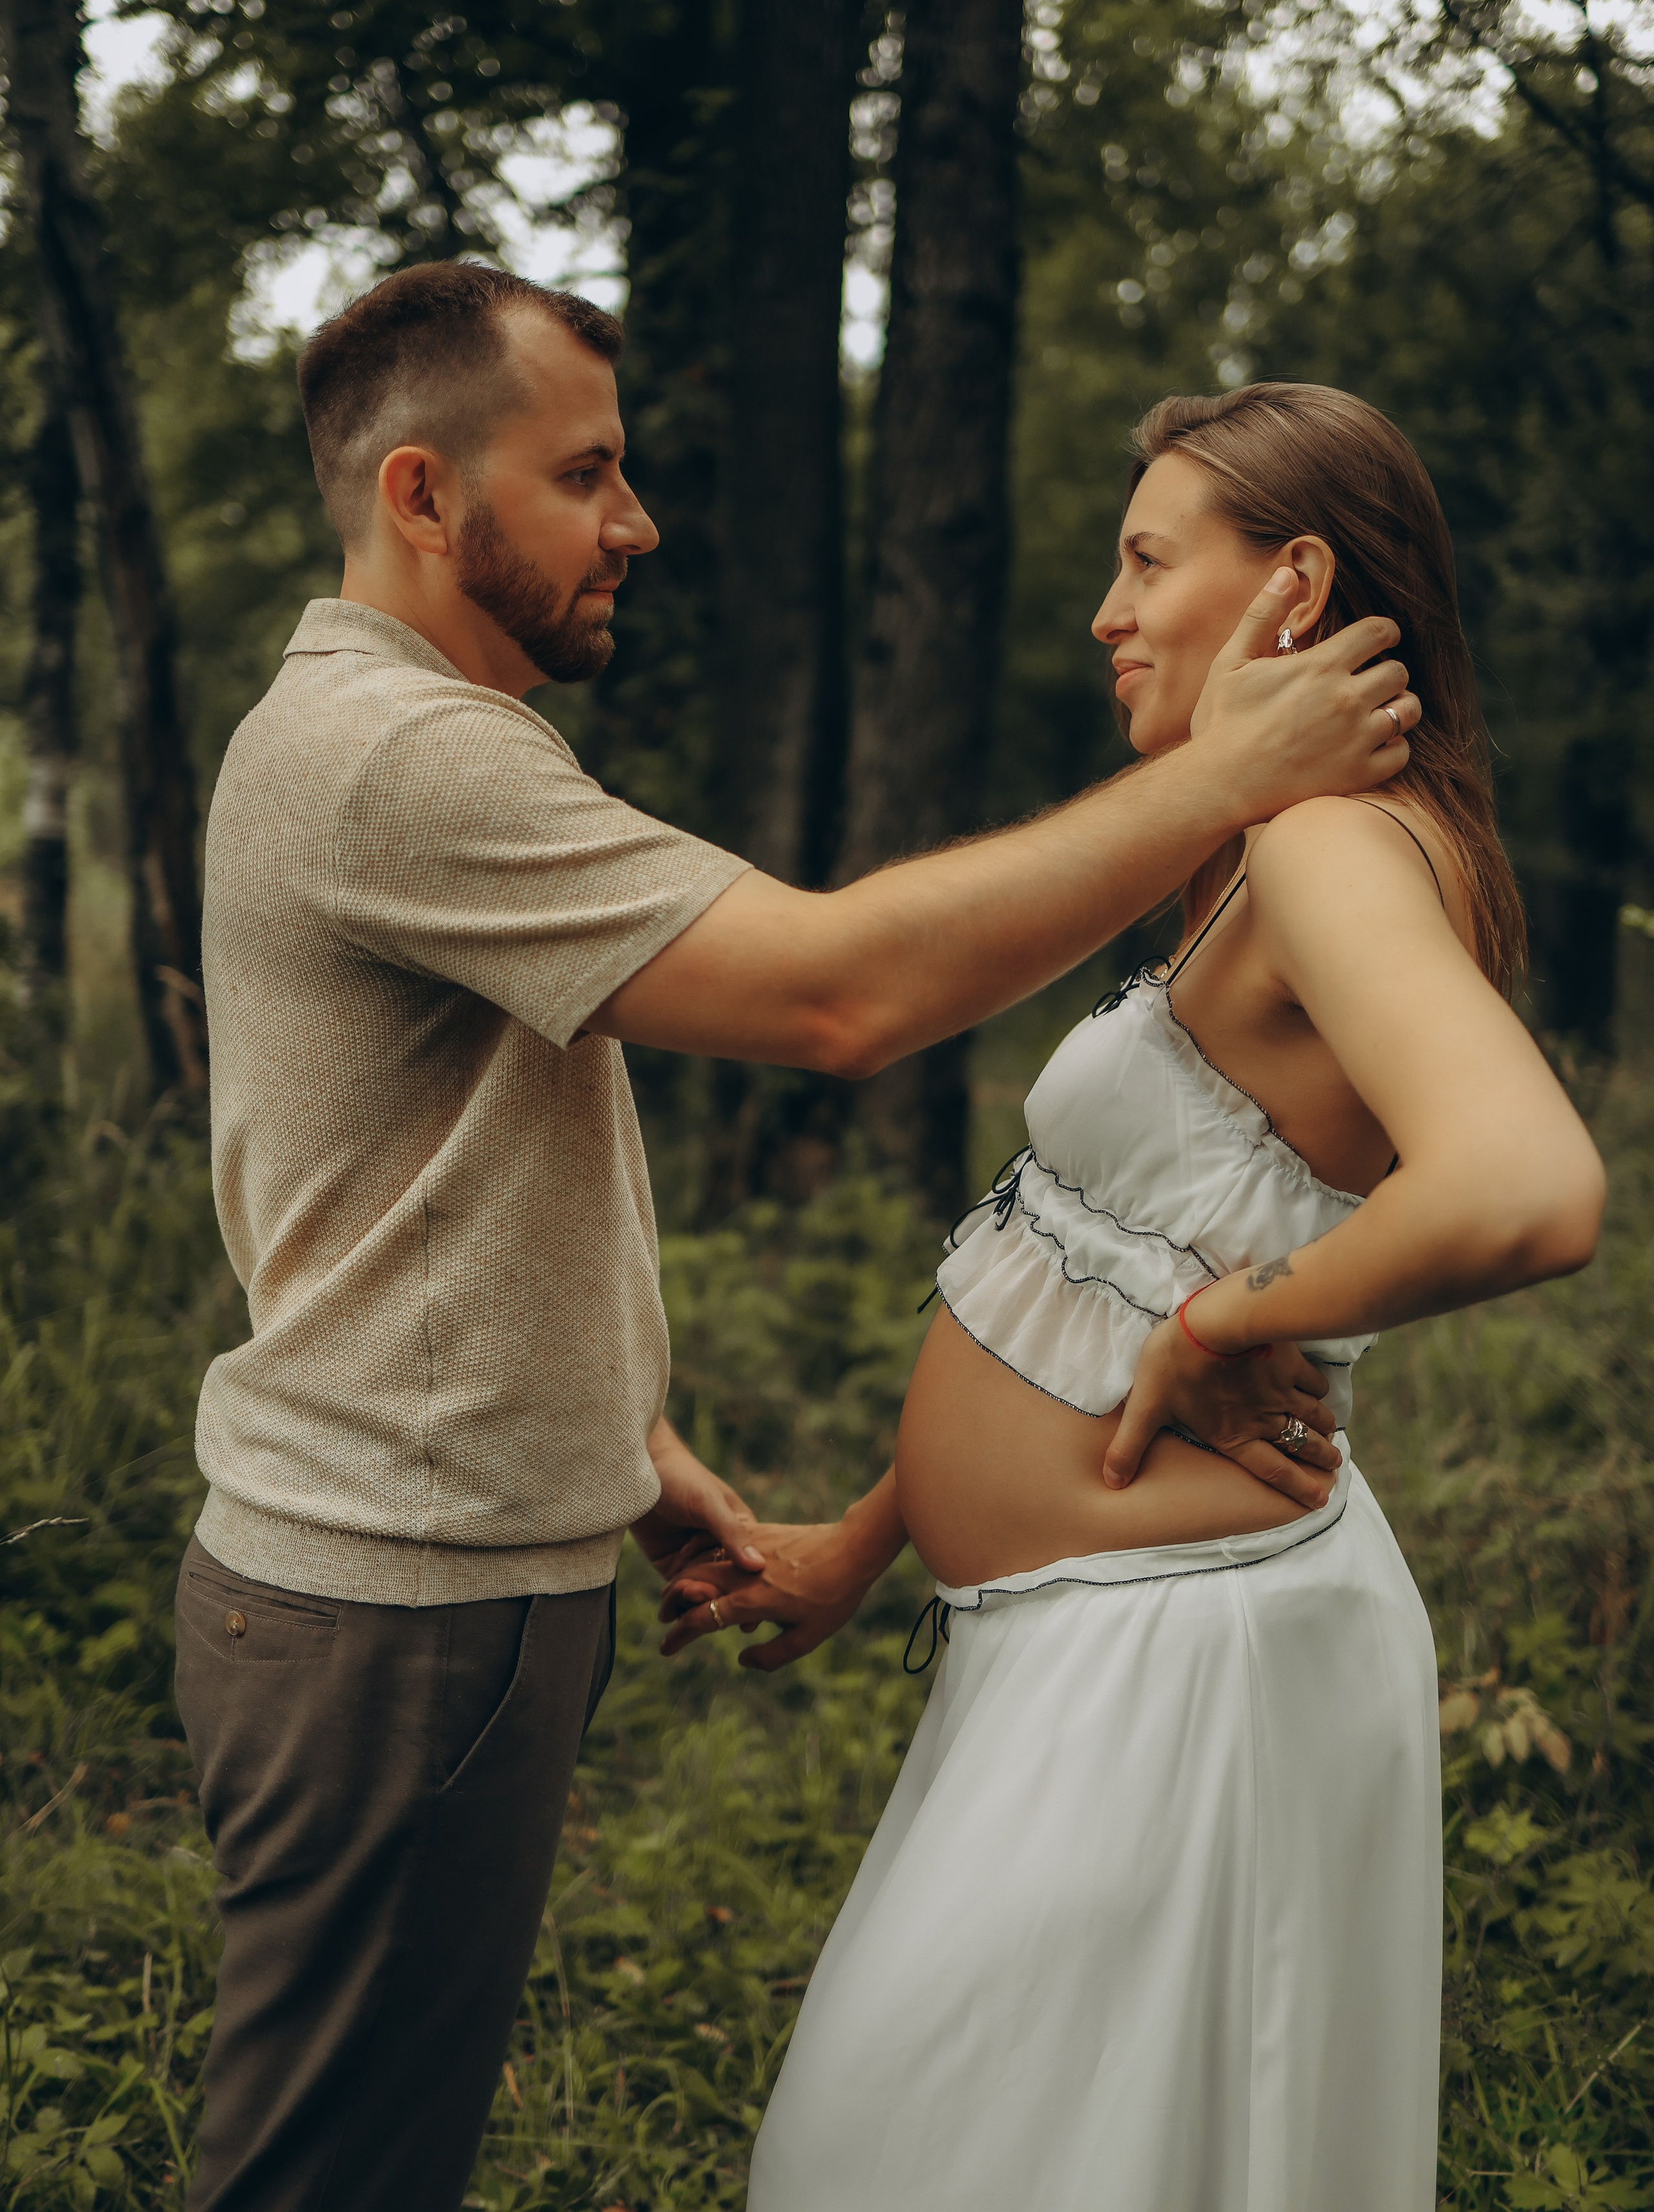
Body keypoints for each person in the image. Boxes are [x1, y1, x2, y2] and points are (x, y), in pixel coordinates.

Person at [175, 267, 1421, 2212]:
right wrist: (1224, 777)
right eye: (587, 472)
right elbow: (837, 992)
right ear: (422, 495)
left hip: (442, 1575)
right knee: (327, 2174)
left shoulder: (410, 740)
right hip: (395, 1613)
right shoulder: (399, 758)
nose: (637, 520)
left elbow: (391, 1180)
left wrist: (622, 1442)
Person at [669, 383, 1607, 2212]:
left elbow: (1529, 1181)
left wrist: (1225, 1329)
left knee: (892, 2155)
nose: (1105, 609)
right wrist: (871, 1538)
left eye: (1147, 558)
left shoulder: (1337, 846)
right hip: (1080, 1637)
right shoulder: (1255, 855)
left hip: (1189, 1664)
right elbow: (1084, 1247)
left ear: (1296, 583)